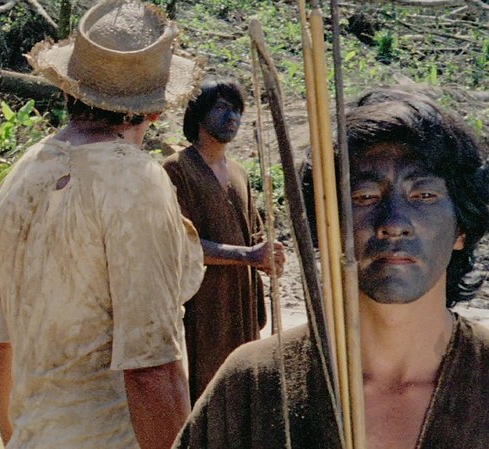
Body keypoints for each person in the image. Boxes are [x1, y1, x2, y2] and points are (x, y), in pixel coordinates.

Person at [173, 88, 489, 448]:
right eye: (366, 197)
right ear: (328, 227)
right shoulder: (253, 383)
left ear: (462, 228)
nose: (394, 223)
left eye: (424, 196)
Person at [0, 1, 206, 448]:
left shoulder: (23, 172)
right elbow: (152, 367)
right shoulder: (135, 180)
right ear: (154, 110)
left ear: (69, 89)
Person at [162, 78, 286, 404]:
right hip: (204, 307)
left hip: (242, 305)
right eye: (221, 107)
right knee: (209, 395)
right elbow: (181, 245)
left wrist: (270, 256)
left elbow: (254, 235)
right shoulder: (177, 169)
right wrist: (248, 256)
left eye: (237, 110)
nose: (232, 117)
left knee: (246, 389)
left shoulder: (239, 172)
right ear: (199, 115)